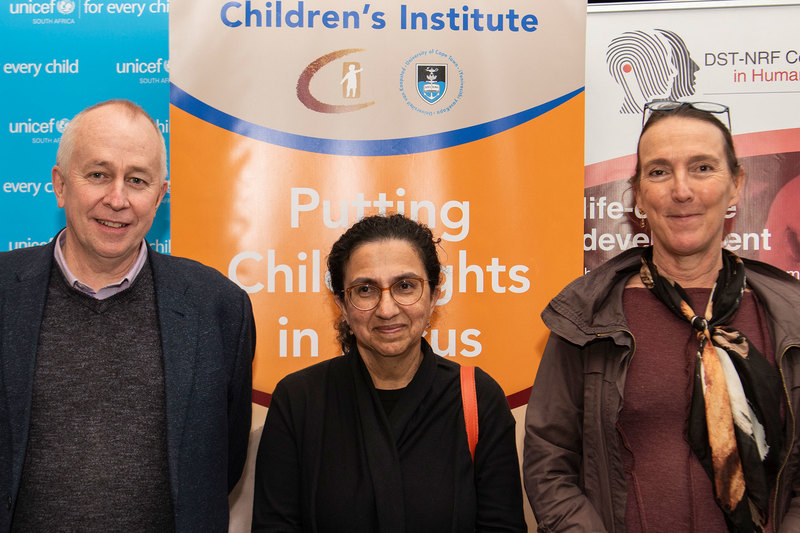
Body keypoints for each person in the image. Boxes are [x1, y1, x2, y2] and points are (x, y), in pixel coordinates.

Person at [523, 101, 800, 532]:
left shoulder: (789, 318)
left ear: (736, 184)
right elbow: (549, 460)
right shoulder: (586, 319)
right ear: (637, 193)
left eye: (703, 167)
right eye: (659, 171)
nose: (682, 190)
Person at [0, 99, 256, 532]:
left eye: (137, 180)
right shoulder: (5, 291)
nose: (117, 199)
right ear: (60, 185)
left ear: (160, 197)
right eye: (98, 175)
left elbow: (219, 465)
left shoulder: (220, 308)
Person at [252, 214, 526, 532]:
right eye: (366, 289)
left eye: (405, 286)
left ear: (435, 293)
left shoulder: (477, 398)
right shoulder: (299, 400)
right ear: (341, 302)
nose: (386, 309)